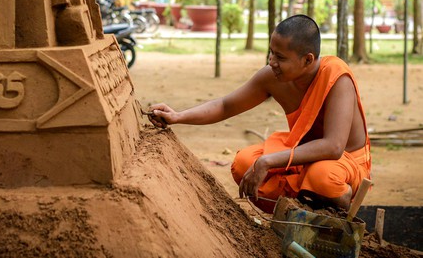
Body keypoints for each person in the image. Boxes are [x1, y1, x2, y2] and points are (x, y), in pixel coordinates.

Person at [148, 14, 371, 213]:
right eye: (271, 53)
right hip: (301, 154)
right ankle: (296, 207)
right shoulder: (272, 78)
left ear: (308, 60)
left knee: (322, 178)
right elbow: (226, 106)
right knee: (244, 163)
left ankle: (337, 203)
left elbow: (333, 147)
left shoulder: (336, 77)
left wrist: (268, 161)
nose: (271, 62)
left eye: (280, 57)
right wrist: (178, 117)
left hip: (342, 162)